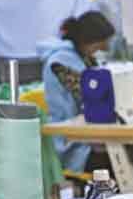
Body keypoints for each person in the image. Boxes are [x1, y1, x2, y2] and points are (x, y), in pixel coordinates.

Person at [37, 11, 116, 172]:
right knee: (120, 162)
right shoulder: (60, 63)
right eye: (101, 45)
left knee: (126, 154)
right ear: (88, 41)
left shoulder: (83, 57)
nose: (105, 49)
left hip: (87, 135)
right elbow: (93, 98)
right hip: (71, 145)